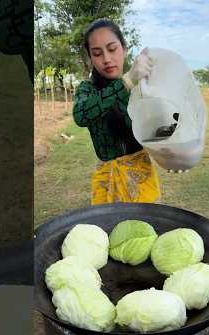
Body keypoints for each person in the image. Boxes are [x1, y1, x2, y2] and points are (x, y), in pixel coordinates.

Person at [73, 19, 161, 205]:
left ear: (124, 48)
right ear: (90, 58)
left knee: (144, 230)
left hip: (141, 178)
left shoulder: (141, 90)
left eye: (112, 49)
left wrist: (173, 154)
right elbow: (81, 115)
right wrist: (126, 81)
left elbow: (155, 130)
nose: (106, 59)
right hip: (107, 181)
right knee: (108, 231)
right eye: (97, 53)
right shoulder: (87, 90)